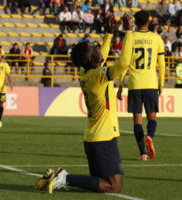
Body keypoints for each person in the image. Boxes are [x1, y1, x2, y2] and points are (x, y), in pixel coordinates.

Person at [35, 13, 133, 194]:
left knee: (102, 183)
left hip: (94, 138)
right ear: (90, 59)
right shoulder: (97, 75)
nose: (96, 48)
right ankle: (64, 177)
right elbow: (124, 62)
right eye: (92, 49)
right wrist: (129, 31)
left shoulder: (86, 73)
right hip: (103, 138)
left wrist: (109, 35)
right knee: (114, 186)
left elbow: (99, 56)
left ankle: (54, 177)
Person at [117, 10, 166, 161]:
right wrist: (161, 83)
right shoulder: (156, 38)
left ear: (135, 23)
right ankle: (150, 136)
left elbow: (124, 63)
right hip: (151, 83)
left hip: (134, 84)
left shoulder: (130, 37)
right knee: (152, 117)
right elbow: (162, 64)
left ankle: (143, 153)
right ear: (149, 22)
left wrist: (120, 85)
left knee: (137, 120)